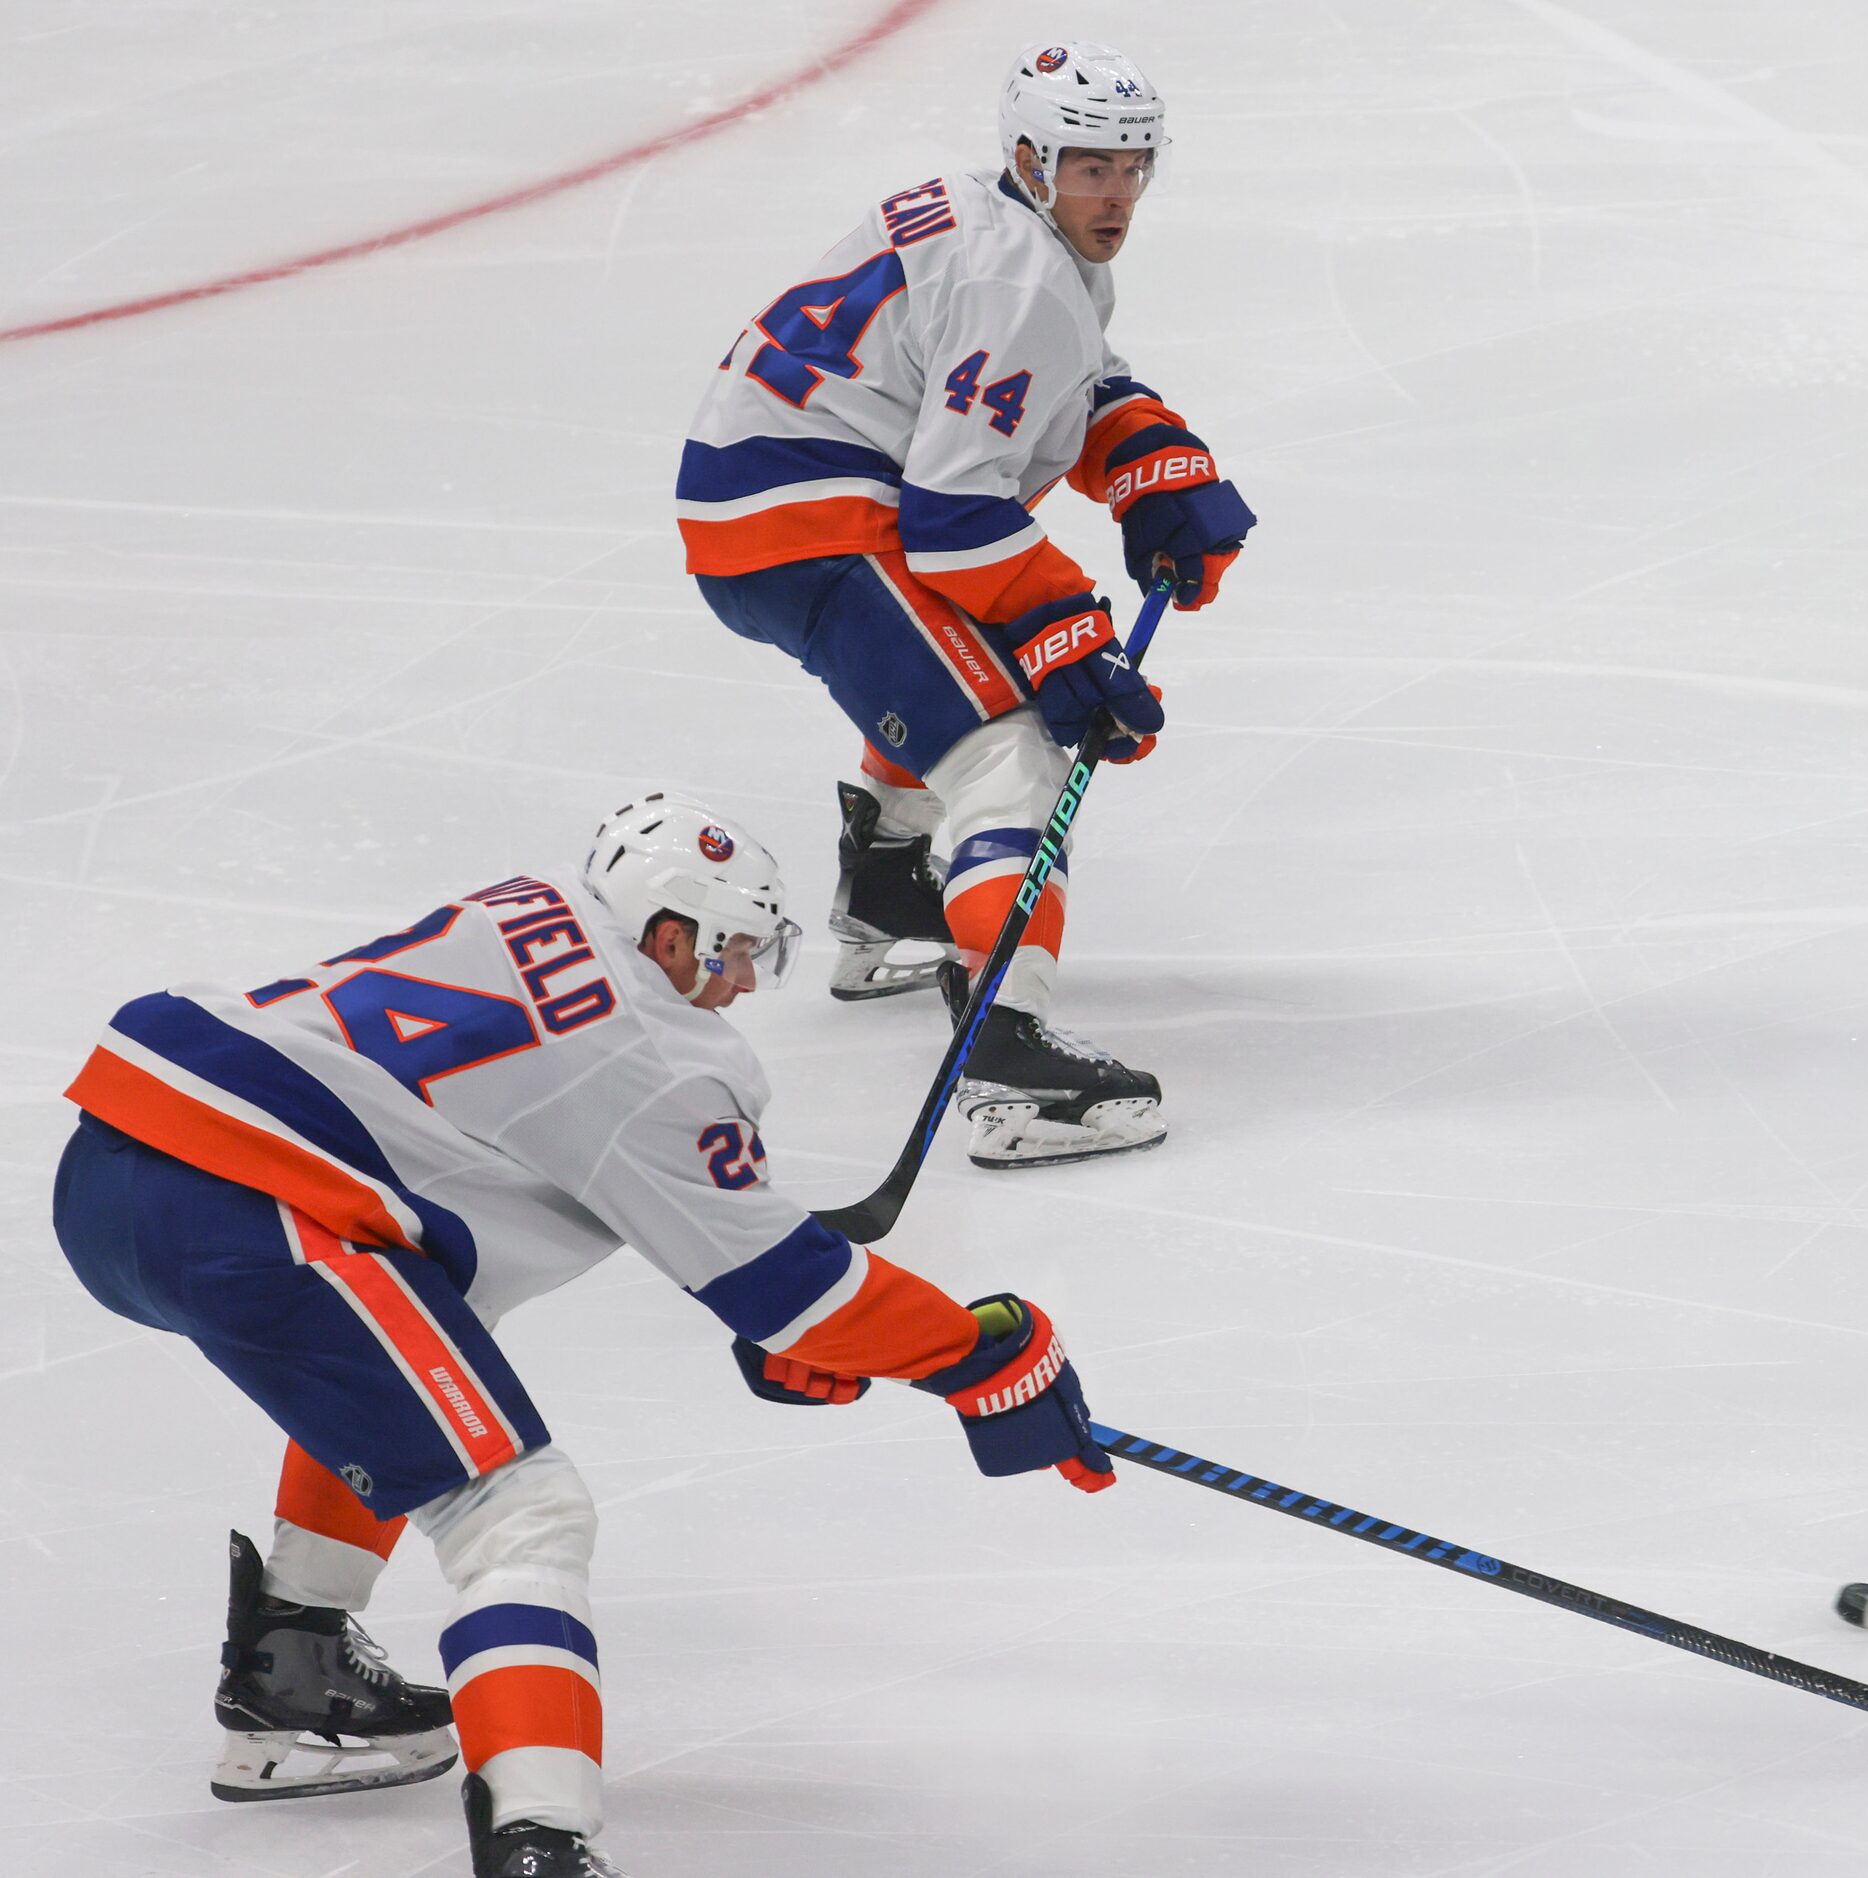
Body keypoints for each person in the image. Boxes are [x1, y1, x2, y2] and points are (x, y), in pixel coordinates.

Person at [52, 792, 1116, 1877]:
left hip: (119, 1169)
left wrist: (777, 1304)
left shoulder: (534, 902)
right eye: (738, 950)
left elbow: (574, 1171)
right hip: (256, 1210)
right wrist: (990, 1357)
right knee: (520, 1513)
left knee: (409, 1358)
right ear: (671, 936)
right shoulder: (653, 1057)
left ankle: (293, 1666)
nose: (746, 981)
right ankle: (537, 1837)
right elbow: (794, 1291)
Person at [674, 38, 1255, 1169]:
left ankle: (892, 892)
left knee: (947, 670)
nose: (1118, 194)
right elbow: (953, 511)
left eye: (1134, 167)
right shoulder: (1023, 276)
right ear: (1033, 159)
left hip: (770, 501)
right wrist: (1065, 638)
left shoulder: (990, 221)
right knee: (1013, 742)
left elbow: (1046, 382)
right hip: (813, 525)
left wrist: (1152, 464)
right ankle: (1008, 1054)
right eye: (1093, 168)